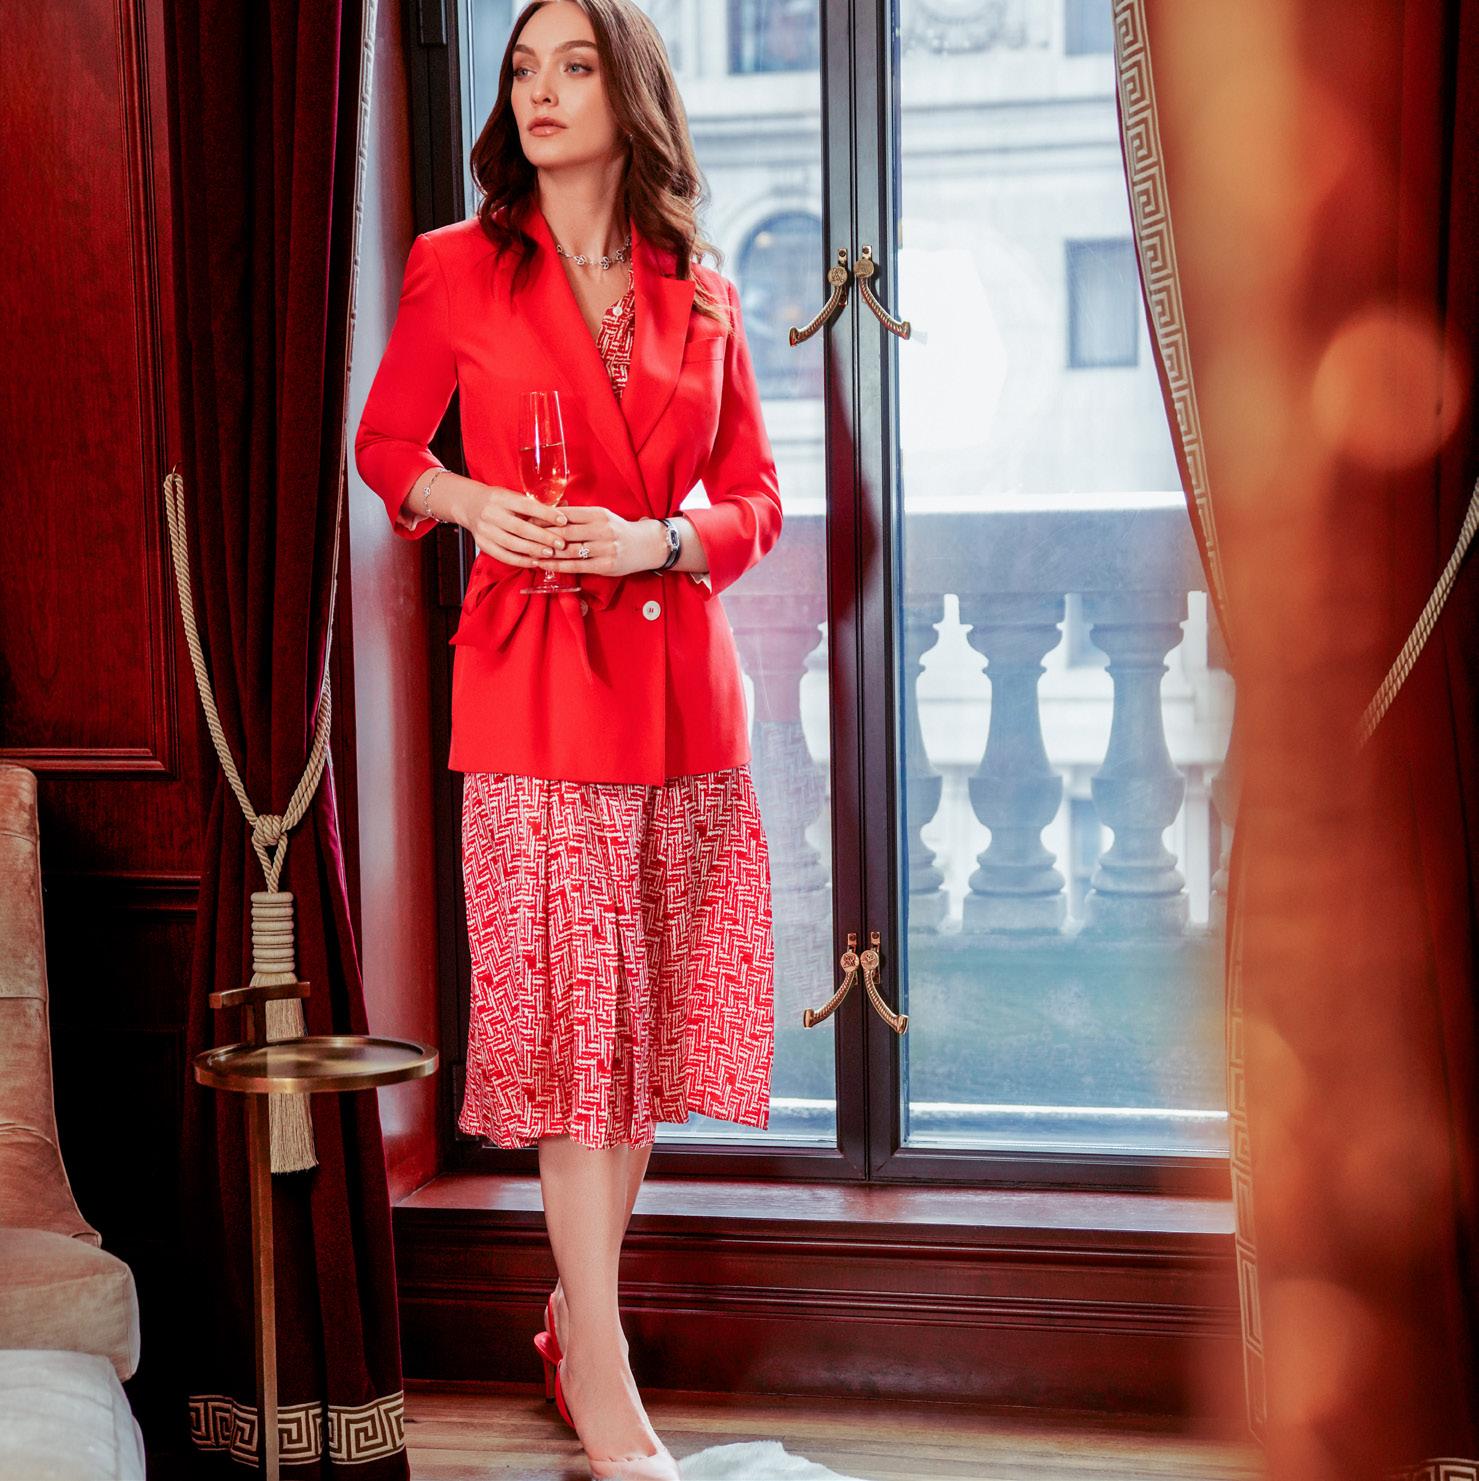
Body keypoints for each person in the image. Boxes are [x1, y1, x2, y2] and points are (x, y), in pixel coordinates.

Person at [353, 2, 781, 1476]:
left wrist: (657, 539)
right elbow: (385, 444)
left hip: (681, 709)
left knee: (637, 1040)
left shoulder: (700, 289)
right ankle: (600, 1364)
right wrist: (470, 503)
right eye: (522, 69)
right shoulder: (457, 266)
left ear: (630, 93)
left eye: (574, 66)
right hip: (533, 695)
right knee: (571, 1036)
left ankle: (574, 1317)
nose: (540, 91)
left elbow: (754, 500)